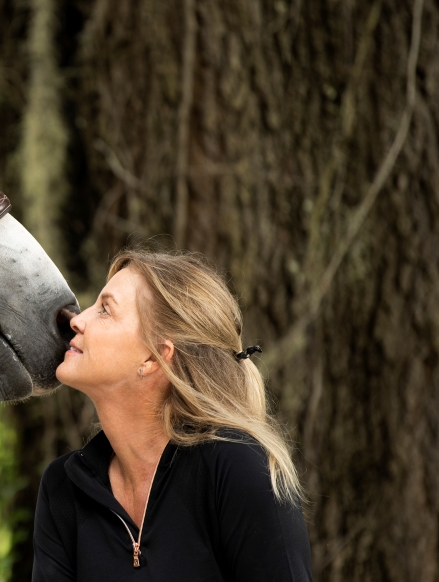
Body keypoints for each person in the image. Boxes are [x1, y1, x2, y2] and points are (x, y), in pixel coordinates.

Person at [33, 248, 313, 581]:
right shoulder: (63, 487)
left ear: (154, 358)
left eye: (105, 310)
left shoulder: (239, 470)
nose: (76, 320)